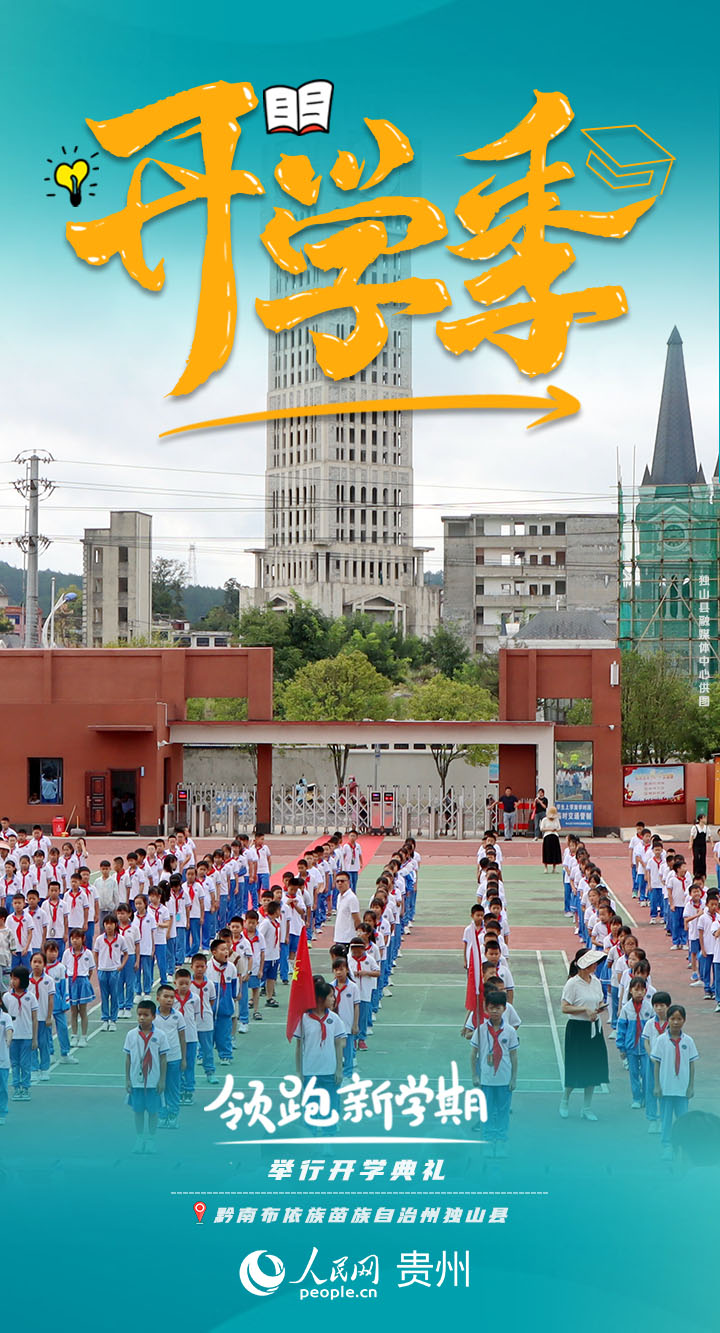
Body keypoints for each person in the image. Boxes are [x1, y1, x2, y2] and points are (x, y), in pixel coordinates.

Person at [559, 948, 609, 1120]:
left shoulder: (596, 982)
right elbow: (565, 1007)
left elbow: (599, 1001)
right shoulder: (572, 984)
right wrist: (585, 1010)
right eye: (592, 962)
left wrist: (600, 1008)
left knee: (593, 1068)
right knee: (576, 1067)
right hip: (577, 1030)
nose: (595, 965)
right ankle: (565, 1101)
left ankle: (586, 1108)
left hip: (594, 1029)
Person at [470, 990, 518, 1156]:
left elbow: (514, 1056)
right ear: (486, 1008)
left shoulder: (510, 1031)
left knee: (503, 1112)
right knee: (488, 1112)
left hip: (504, 1079)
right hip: (487, 1080)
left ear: (504, 1008)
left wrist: (513, 1078)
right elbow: (473, 1054)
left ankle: (502, 1140)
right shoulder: (480, 1030)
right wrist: (475, 1075)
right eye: (491, 1008)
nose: (495, 1011)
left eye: (498, 1008)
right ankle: (488, 1141)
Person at [293, 976, 346, 1129]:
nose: (334, 999)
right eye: (331, 996)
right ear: (321, 999)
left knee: (329, 1107)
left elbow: (338, 1045)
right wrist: (299, 1071)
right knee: (311, 1107)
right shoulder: (304, 1019)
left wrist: (339, 1070)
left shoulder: (334, 1019)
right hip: (310, 1071)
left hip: (329, 1071)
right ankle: (311, 1136)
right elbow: (299, 1047)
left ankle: (328, 1137)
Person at [650, 1004, 698, 1161]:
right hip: (666, 1088)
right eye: (672, 1019)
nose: (676, 1022)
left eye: (679, 1019)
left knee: (683, 1120)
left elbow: (691, 1064)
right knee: (665, 1119)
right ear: (668, 1020)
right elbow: (657, 1064)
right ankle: (667, 1146)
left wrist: (690, 1086)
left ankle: (683, 1146)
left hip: (682, 1089)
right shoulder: (661, 1040)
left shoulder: (688, 1041)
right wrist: (657, 1085)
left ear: (684, 1020)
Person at [124, 999, 168, 1154]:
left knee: (153, 1112)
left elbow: (163, 1059)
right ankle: (139, 1138)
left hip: (153, 1081)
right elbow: (128, 1058)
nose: (142, 1018)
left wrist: (162, 1080)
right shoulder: (131, 1035)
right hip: (136, 1081)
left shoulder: (160, 1035)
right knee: (138, 1111)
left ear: (153, 1016)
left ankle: (151, 1140)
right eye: (140, 1015)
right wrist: (128, 1079)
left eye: (146, 1015)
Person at [616, 975, 654, 1109]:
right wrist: (621, 1047)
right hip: (631, 1047)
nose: (639, 992)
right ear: (630, 990)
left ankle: (646, 1097)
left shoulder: (649, 1008)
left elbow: (653, 1028)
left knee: (646, 1074)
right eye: (636, 989)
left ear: (646, 991)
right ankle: (636, 1098)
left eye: (642, 990)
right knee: (634, 1074)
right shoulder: (626, 1009)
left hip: (645, 1048)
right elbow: (621, 1029)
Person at [154, 983, 186, 1128]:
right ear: (158, 998)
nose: (169, 1000)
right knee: (159, 1088)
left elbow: (182, 1038)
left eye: (172, 997)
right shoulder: (152, 1016)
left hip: (174, 1058)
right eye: (166, 996)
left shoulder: (178, 1016)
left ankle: (173, 1115)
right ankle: (161, 1114)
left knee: (173, 1088)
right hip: (156, 1059)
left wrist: (183, 1059)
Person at [4, 965, 38, 1100]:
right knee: (14, 1063)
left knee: (25, 1063)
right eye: (12, 978)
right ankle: (16, 1087)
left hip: (26, 1036)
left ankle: (25, 1087)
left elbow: (34, 1019)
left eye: (15, 978)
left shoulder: (30, 997)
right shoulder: (7, 997)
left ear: (23, 980)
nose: (12, 981)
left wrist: (34, 1038)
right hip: (12, 1037)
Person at [62, 928, 96, 1047]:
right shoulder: (67, 953)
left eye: (77, 938)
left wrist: (85, 981)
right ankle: (74, 1035)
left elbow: (91, 970)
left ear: (83, 939)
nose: (74, 941)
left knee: (82, 1010)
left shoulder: (88, 953)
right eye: (72, 938)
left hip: (83, 980)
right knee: (73, 1011)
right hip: (71, 982)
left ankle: (84, 1036)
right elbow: (64, 969)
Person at [333, 870, 361, 945]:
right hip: (339, 936)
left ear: (348, 882)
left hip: (349, 938)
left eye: (342, 881)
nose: (340, 883)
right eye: (337, 881)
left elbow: (357, 919)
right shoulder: (339, 896)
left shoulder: (352, 898)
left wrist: (357, 934)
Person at [540, 806, 562, 872]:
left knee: (555, 852)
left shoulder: (556, 820)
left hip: (555, 836)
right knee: (546, 852)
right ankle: (546, 868)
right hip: (547, 836)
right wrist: (549, 829)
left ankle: (554, 868)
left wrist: (555, 830)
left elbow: (559, 828)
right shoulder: (544, 820)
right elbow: (542, 828)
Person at [0, 997, 11, 1122]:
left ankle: (2, 1112)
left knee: (2, 1088)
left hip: (2, 1060)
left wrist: (9, 1039)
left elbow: (9, 1030)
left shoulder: (5, 1017)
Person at [689, 813, 708, 880]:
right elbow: (691, 836)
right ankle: (696, 873)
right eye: (704, 818)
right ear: (700, 819)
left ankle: (703, 873)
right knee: (696, 858)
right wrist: (690, 844)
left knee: (703, 859)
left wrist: (712, 844)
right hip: (696, 845)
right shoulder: (695, 827)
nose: (705, 819)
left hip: (703, 845)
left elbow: (709, 836)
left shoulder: (706, 827)